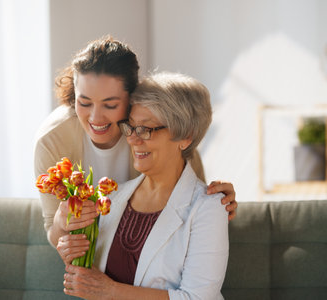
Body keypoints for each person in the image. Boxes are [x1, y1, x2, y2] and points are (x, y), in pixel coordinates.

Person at [34, 36, 237, 248]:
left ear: (132, 97)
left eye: (110, 105)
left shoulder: (163, 133)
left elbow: (192, 206)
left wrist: (218, 203)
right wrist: (61, 222)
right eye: (84, 102)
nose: (95, 118)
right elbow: (53, 231)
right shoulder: (52, 140)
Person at [62, 72, 229, 299]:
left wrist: (111, 291)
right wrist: (72, 251)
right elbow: (91, 277)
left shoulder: (208, 207)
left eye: (146, 129)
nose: (132, 139)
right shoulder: (112, 196)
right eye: (130, 127)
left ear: (186, 136)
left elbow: (198, 298)